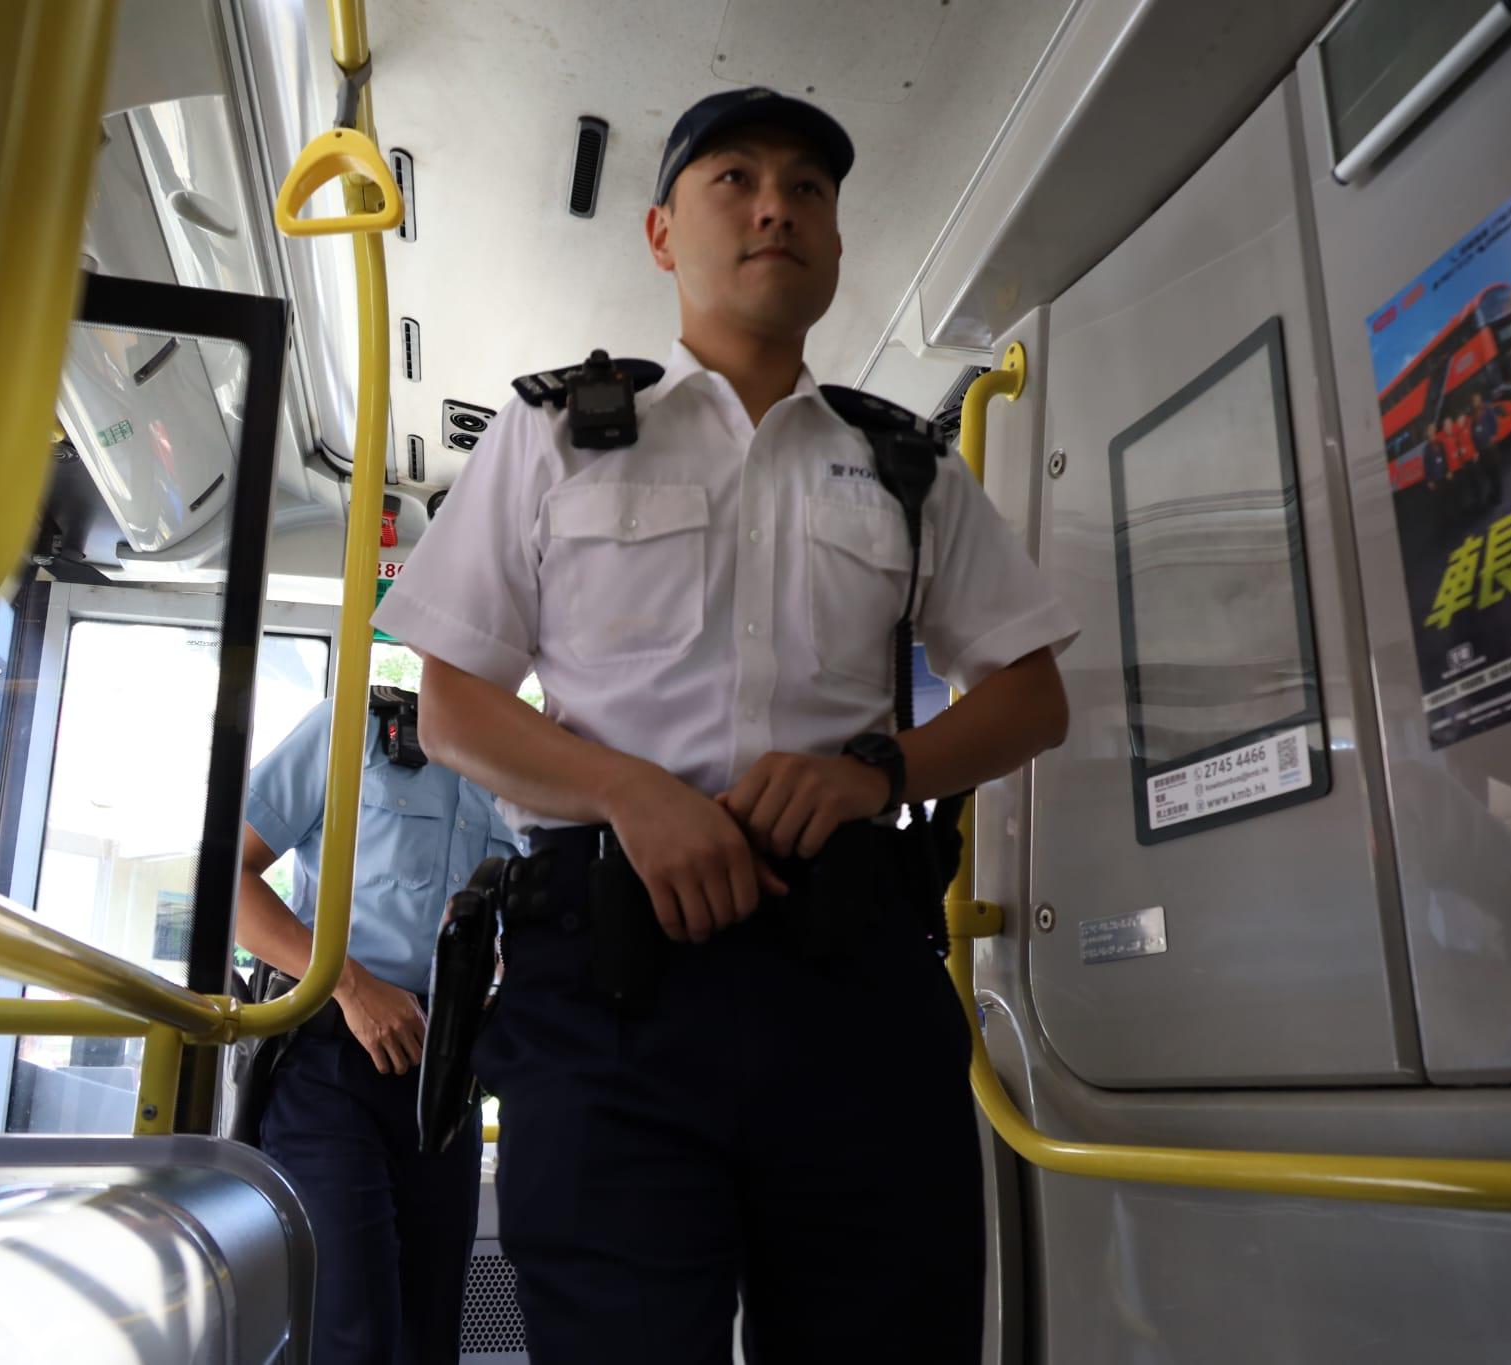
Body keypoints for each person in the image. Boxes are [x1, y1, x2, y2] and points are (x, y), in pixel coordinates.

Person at [370, 86, 1077, 1364]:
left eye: (808, 189)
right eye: (734, 180)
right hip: (607, 975)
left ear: (838, 243)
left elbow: (1031, 696)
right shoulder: (554, 440)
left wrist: (879, 774)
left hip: (849, 966)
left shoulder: (908, 464)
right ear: (659, 233)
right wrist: (630, 795)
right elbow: (458, 705)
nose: (774, 207)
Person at [237, 688, 519, 1363]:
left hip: (447, 1079)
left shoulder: (522, 755)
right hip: (330, 1062)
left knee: (428, 1338)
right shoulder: (353, 730)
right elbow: (227, 879)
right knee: (351, 1332)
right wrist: (351, 985)